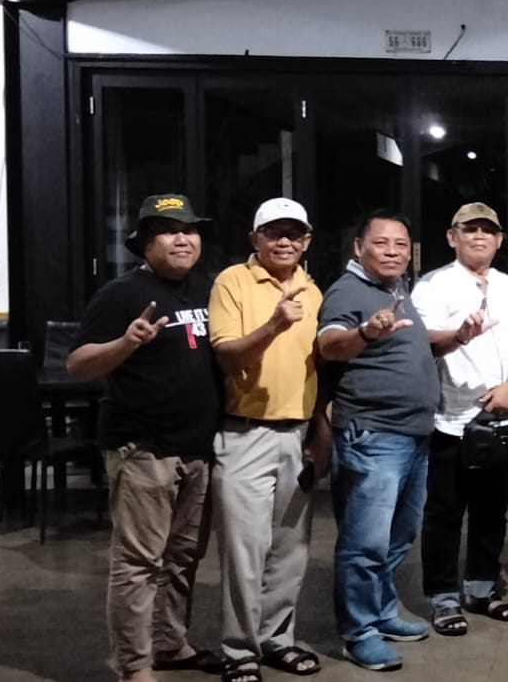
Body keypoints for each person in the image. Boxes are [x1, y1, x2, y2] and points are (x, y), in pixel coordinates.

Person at [68, 193, 224, 682]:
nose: (182, 239)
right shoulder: (121, 294)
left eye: (189, 230)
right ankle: (134, 665)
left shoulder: (206, 291)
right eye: (168, 231)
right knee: (138, 564)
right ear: (145, 243)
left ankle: (170, 644)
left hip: (197, 447)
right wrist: (126, 342)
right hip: (143, 446)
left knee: (183, 558)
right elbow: (78, 364)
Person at [317, 210, 476, 671]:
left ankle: (383, 612)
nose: (392, 252)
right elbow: (329, 344)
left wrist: (457, 338)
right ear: (358, 247)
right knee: (364, 542)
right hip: (373, 435)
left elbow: (415, 345)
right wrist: (366, 332)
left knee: (398, 536)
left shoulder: (396, 291)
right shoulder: (347, 291)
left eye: (401, 244)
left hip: (413, 435)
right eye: (382, 243)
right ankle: (358, 632)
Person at [207, 197, 325, 680]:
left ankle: (278, 639)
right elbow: (226, 356)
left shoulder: (313, 290)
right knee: (244, 550)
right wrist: (274, 325)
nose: (284, 241)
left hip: (298, 433)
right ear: (255, 239)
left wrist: (320, 434)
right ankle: (239, 650)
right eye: (274, 232)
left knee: (290, 550)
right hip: (245, 433)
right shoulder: (232, 281)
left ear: (307, 241)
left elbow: (321, 369)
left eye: (294, 233)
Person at [413, 202, 508, 635]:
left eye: (488, 230)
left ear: (499, 240)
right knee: (445, 513)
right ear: (453, 237)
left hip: (501, 419)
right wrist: (459, 335)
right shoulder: (434, 286)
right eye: (470, 229)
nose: (479, 236)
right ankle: (443, 597)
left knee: (492, 511)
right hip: (452, 420)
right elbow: (424, 340)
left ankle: (482, 589)